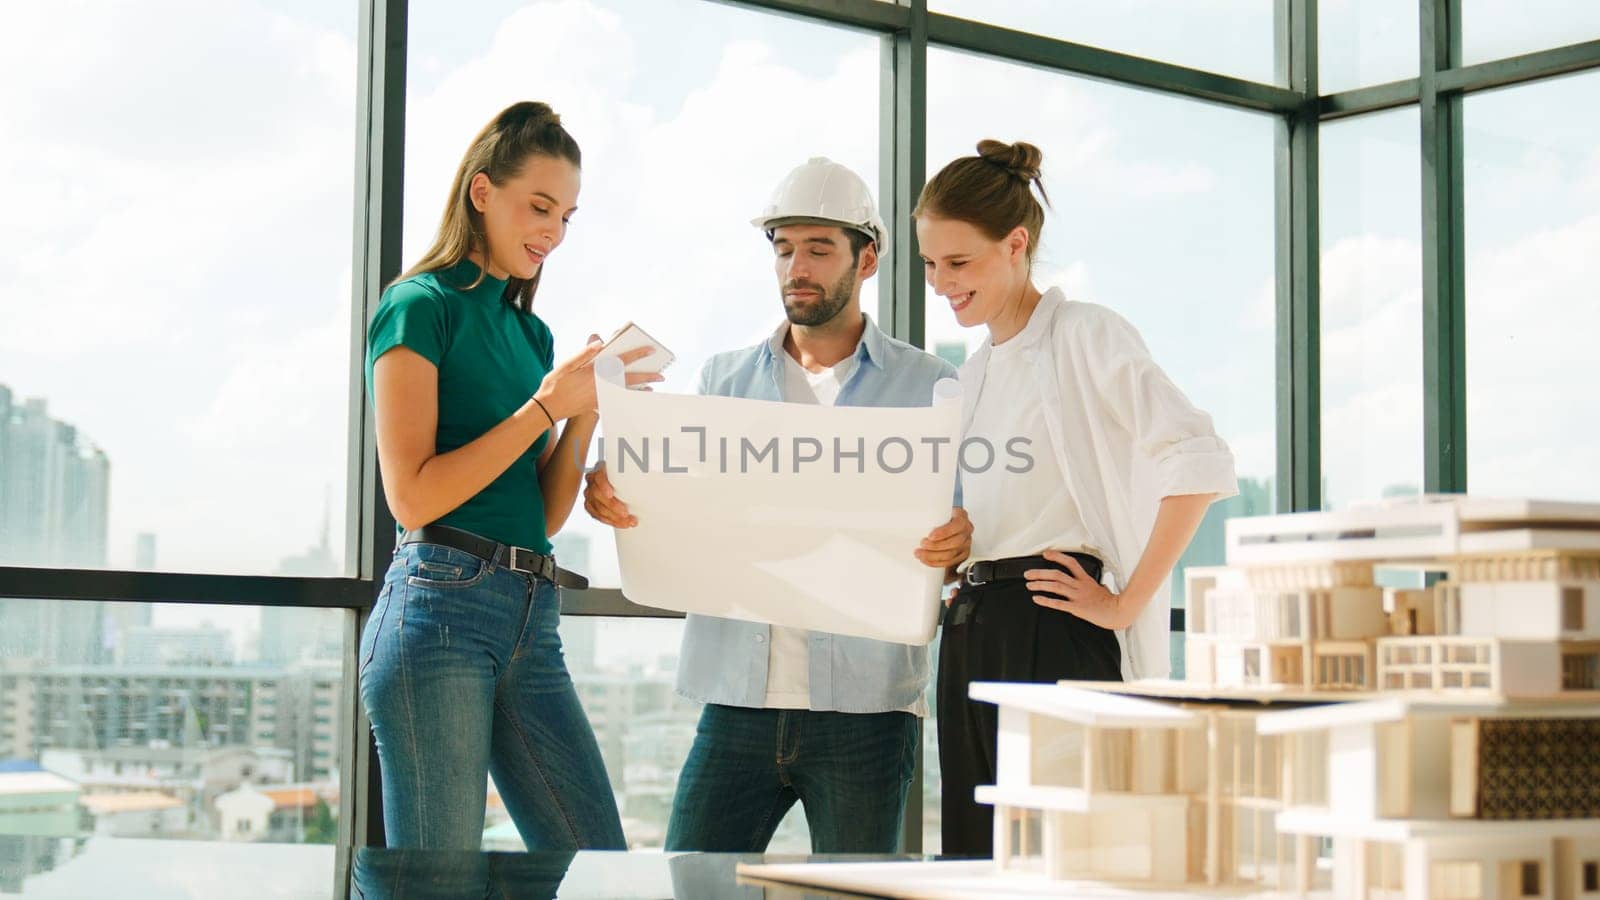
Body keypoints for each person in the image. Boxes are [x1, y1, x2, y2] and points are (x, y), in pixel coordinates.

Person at [583, 157, 972, 853]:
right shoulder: (722, 380)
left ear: (869, 258)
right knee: (689, 884)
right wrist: (616, 489)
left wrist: (962, 539)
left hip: (867, 712)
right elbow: (682, 505)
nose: (798, 266)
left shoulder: (929, 386)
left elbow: (965, 527)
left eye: (820, 248)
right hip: (736, 703)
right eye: (784, 247)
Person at [914, 139, 1239, 856]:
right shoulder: (971, 377)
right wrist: (960, 541)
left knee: (1061, 855)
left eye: (958, 263)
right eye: (930, 264)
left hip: (1052, 619)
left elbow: (1198, 460)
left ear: (1016, 245)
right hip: (971, 625)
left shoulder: (1086, 334)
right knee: (976, 856)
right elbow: (1011, 501)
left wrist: (1127, 602)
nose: (942, 282)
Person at [360, 101, 659, 850]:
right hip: (438, 612)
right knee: (438, 883)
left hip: (534, 612)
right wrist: (544, 405)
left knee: (597, 863)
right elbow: (413, 496)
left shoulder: (531, 333)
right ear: (483, 192)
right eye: (540, 207)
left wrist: (587, 409)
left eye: (566, 217)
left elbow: (545, 514)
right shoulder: (416, 306)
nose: (553, 233)